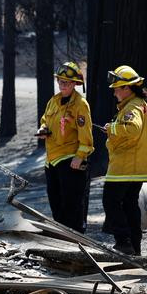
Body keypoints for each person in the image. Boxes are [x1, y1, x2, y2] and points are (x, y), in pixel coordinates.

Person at [37, 61, 94, 232]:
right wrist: (43, 129)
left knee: (73, 205)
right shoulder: (53, 101)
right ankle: (62, 238)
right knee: (56, 204)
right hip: (52, 161)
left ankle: (76, 240)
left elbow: (86, 135)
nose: (62, 85)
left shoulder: (80, 105)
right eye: (60, 81)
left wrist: (80, 156)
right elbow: (45, 119)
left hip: (70, 160)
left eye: (67, 82)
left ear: (75, 83)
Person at [103, 65, 147, 256]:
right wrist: (113, 128)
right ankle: (134, 248)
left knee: (110, 200)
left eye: (117, 88)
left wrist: (113, 129)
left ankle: (123, 241)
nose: (114, 92)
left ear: (127, 88)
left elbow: (132, 129)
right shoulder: (142, 105)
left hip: (125, 166)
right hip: (138, 167)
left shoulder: (132, 107)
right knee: (130, 205)